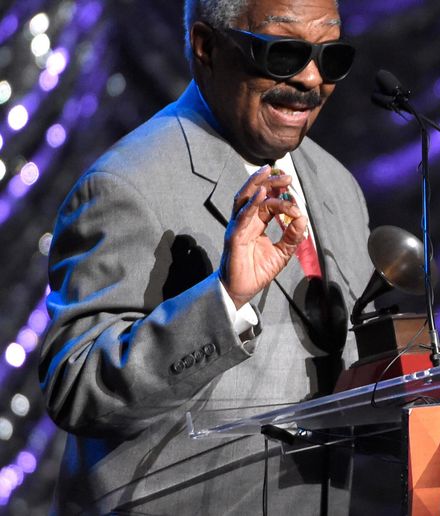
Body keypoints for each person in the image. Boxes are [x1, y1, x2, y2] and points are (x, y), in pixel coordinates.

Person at [38, 0, 374, 513]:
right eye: (284, 52)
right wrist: (224, 302)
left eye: (331, 57)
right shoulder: (124, 186)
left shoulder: (338, 186)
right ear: (207, 47)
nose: (311, 78)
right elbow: (77, 388)